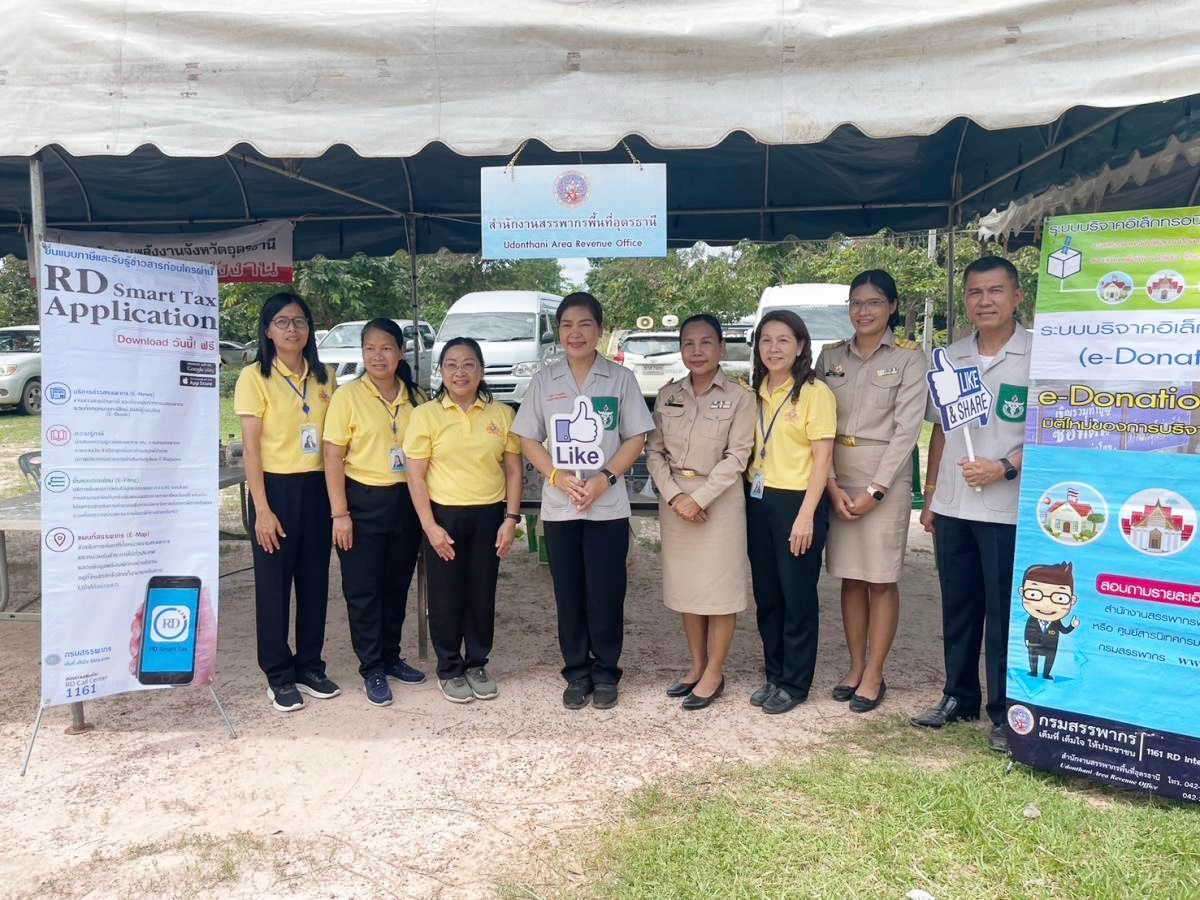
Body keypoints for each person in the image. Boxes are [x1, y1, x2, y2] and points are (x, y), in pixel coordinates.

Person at [513, 292, 655, 710]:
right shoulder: (545, 380)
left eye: (584, 324)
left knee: (607, 592)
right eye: (567, 325)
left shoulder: (620, 379)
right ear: (558, 332)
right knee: (569, 593)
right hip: (561, 509)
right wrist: (555, 477)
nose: (575, 333)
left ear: (600, 329)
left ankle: (606, 672)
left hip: (606, 507)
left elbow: (636, 438)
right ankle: (576, 672)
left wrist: (605, 479)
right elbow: (526, 437)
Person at [912, 255, 1031, 753]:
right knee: (959, 606)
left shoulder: (1040, 356)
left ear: (1017, 297)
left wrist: (1004, 467)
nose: (985, 301)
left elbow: (1050, 434)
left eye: (996, 291)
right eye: (975, 293)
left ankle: (1003, 712)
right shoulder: (951, 357)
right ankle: (958, 695)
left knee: (1004, 612)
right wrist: (933, 493)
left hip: (1007, 505)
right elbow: (941, 429)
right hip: (957, 506)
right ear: (965, 300)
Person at [815, 270, 927, 713]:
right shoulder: (830, 357)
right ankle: (854, 665)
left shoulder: (908, 358)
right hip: (837, 475)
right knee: (850, 577)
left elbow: (907, 429)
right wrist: (830, 485)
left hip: (885, 475)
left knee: (880, 579)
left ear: (893, 307)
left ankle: (875, 671)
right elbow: (817, 421)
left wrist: (876, 490)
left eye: (874, 302)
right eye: (856, 302)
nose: (863, 311)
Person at [234, 292, 340, 712]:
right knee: (274, 588)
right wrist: (261, 508)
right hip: (274, 491)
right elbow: (252, 449)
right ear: (268, 331)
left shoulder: (324, 376)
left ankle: (310, 665)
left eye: (299, 321)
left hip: (316, 489)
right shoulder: (254, 377)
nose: (292, 329)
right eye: (282, 321)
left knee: (315, 584)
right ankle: (278, 674)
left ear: (309, 328)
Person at [403, 337, 524, 704]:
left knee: (481, 592)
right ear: (441, 372)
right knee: (445, 596)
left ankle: (477, 662)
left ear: (482, 370)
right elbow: (416, 476)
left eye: (469, 364)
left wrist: (511, 519)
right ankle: (450, 667)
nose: (460, 372)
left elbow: (514, 473)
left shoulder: (502, 414)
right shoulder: (425, 415)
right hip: (444, 516)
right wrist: (430, 526)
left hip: (489, 515)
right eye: (451, 365)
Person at [645, 315, 755, 710]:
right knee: (688, 589)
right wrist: (676, 497)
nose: (697, 351)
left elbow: (738, 455)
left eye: (706, 342)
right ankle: (695, 665)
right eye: (688, 343)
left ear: (722, 348)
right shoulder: (667, 394)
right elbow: (654, 451)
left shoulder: (742, 398)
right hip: (676, 499)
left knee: (720, 592)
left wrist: (700, 499)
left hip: (719, 501)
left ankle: (715, 671)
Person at [322, 318, 427, 708]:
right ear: (362, 353)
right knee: (363, 590)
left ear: (400, 352)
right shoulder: (347, 397)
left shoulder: (416, 397)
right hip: (361, 502)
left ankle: (391, 655)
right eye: (370, 348)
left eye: (386, 348)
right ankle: (372, 667)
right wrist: (340, 514)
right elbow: (332, 456)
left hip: (406, 503)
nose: (378, 356)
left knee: (396, 586)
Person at [745, 310, 836, 714]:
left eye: (783, 340)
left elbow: (823, 461)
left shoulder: (816, 393)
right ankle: (774, 673)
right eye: (766, 340)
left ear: (801, 346)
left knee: (797, 595)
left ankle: (795, 683)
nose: (773, 348)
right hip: (759, 501)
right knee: (768, 594)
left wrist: (805, 516)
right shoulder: (756, 389)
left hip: (799, 502)